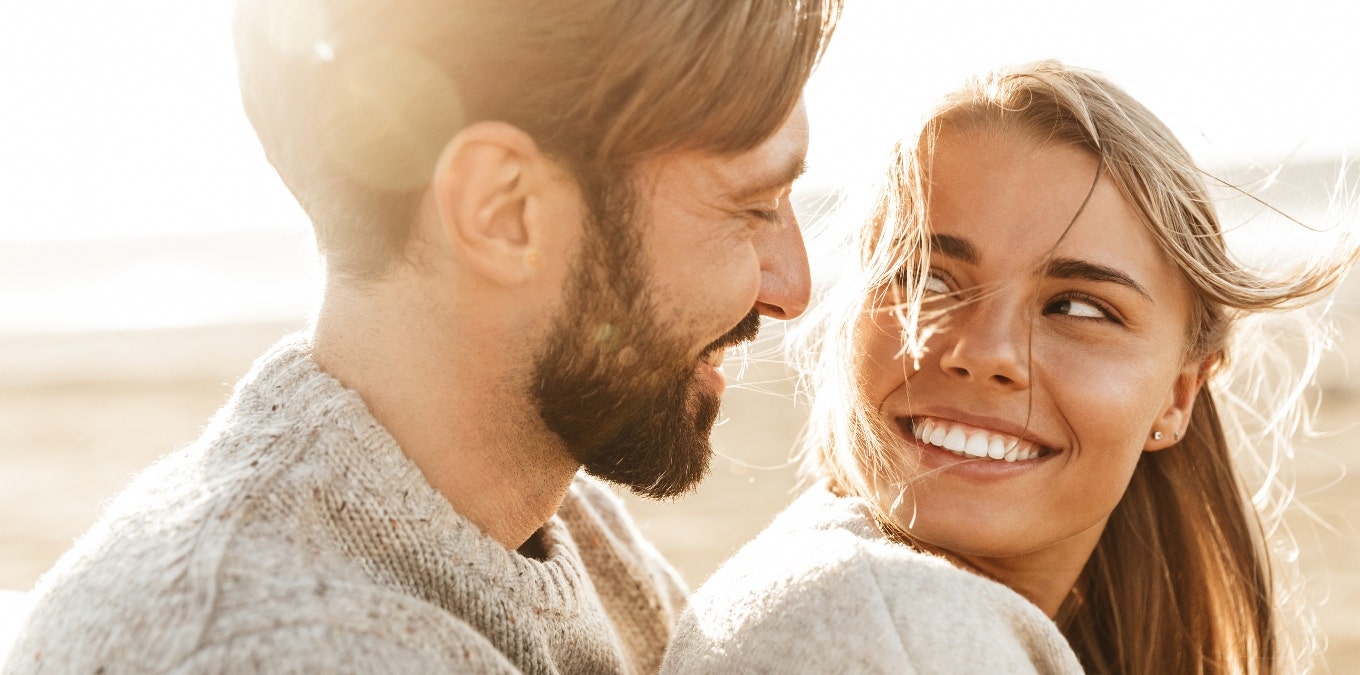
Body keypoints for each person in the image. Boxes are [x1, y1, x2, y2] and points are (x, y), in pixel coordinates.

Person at [3, 1, 841, 672]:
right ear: (503, 211)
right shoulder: (279, 646)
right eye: (753, 207)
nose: (792, 287)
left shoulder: (560, 519)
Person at [662, 61, 1358, 674]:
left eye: (1078, 308)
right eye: (929, 279)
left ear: (1177, 397)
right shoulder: (891, 628)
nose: (985, 351)